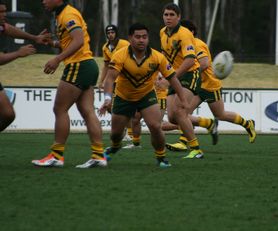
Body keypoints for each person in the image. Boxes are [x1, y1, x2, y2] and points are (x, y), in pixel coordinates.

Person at [100, 23, 188, 168]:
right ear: (130, 38)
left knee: (155, 126)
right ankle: (115, 146)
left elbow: (172, 78)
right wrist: (108, 99)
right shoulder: (120, 55)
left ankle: (161, 157)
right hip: (123, 97)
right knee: (115, 134)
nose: (141, 40)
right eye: (138, 37)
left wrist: (183, 100)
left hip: (146, 96)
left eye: (144, 37)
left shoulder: (157, 57)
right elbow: (109, 79)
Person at [32, 0, 105, 168]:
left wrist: (57, 58)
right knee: (87, 111)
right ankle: (98, 155)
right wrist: (53, 44)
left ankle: (56, 156)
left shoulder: (68, 14)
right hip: (88, 64)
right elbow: (72, 40)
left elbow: (78, 40)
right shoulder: (62, 15)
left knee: (59, 109)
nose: (43, 1)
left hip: (78, 65)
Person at [166, 19, 256, 152]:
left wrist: (189, 73)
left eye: (183, 30)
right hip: (196, 84)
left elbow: (204, 63)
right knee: (184, 112)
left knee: (221, 114)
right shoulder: (183, 44)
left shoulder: (197, 44)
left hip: (209, 84)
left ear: (191, 32)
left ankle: (247, 124)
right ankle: (184, 141)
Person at [160, 3, 214, 159]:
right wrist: (163, 74)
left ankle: (196, 149)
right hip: (174, 75)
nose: (168, 18)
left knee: (179, 111)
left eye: (171, 15)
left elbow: (190, 61)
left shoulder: (184, 34)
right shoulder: (162, 33)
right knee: (172, 117)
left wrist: (171, 78)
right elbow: (165, 56)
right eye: (166, 14)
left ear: (179, 17)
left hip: (190, 74)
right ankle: (207, 123)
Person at [0, 0, 48, 131]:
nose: (4, 14)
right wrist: (18, 53)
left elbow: (8, 29)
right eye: (1, 11)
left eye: (5, 11)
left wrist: (34, 38)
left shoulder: (1, 25)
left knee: (8, 115)